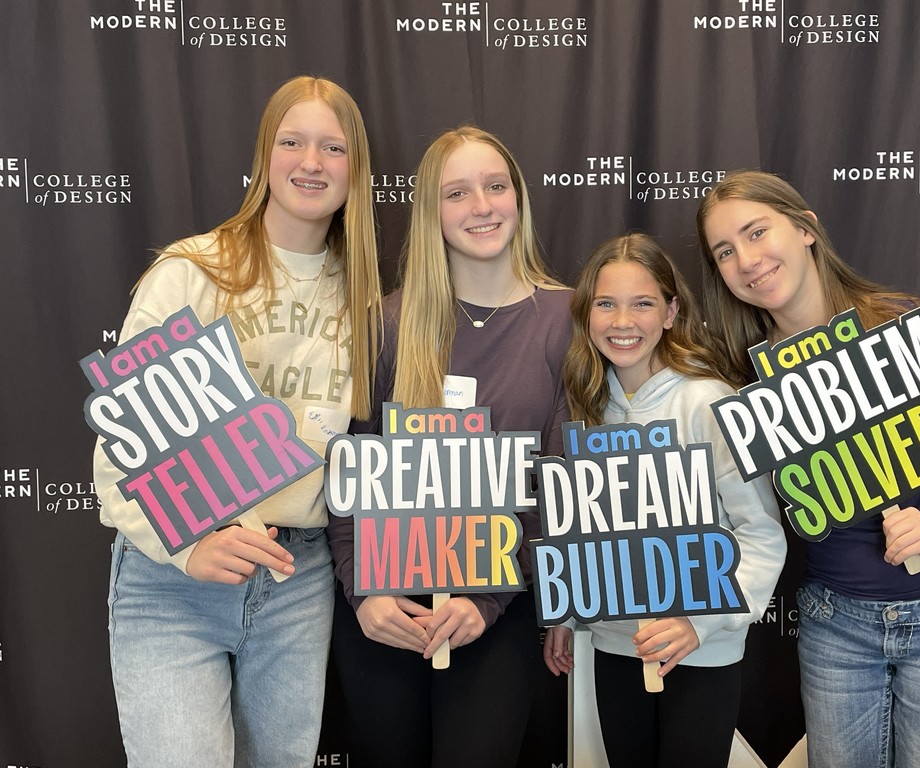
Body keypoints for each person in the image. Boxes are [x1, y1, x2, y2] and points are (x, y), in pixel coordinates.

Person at [95, 75, 382, 767]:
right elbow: (122, 442)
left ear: (356, 168)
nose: (311, 162)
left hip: (296, 577)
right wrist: (186, 545)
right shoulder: (190, 271)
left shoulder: (370, 299)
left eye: (333, 147)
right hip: (172, 579)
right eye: (292, 142)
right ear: (264, 156)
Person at [696, 169, 920, 768]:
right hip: (836, 627)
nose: (746, 260)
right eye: (724, 251)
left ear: (806, 229)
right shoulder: (744, 378)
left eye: (756, 231)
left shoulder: (914, 326)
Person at [327, 125, 572, 767]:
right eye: (456, 192)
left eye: (495, 186)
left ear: (519, 196)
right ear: (430, 212)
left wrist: (488, 599)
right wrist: (363, 592)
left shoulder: (567, 321)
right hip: (384, 609)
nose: (481, 206)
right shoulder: (386, 322)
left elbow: (561, 492)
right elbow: (346, 476)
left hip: (497, 609)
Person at [543, 233, 786, 767]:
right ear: (585, 314)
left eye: (643, 303)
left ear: (671, 312)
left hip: (701, 652)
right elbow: (585, 533)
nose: (622, 321)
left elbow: (761, 533)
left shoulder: (708, 400)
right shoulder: (584, 406)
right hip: (615, 648)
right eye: (605, 304)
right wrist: (569, 613)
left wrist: (699, 625)